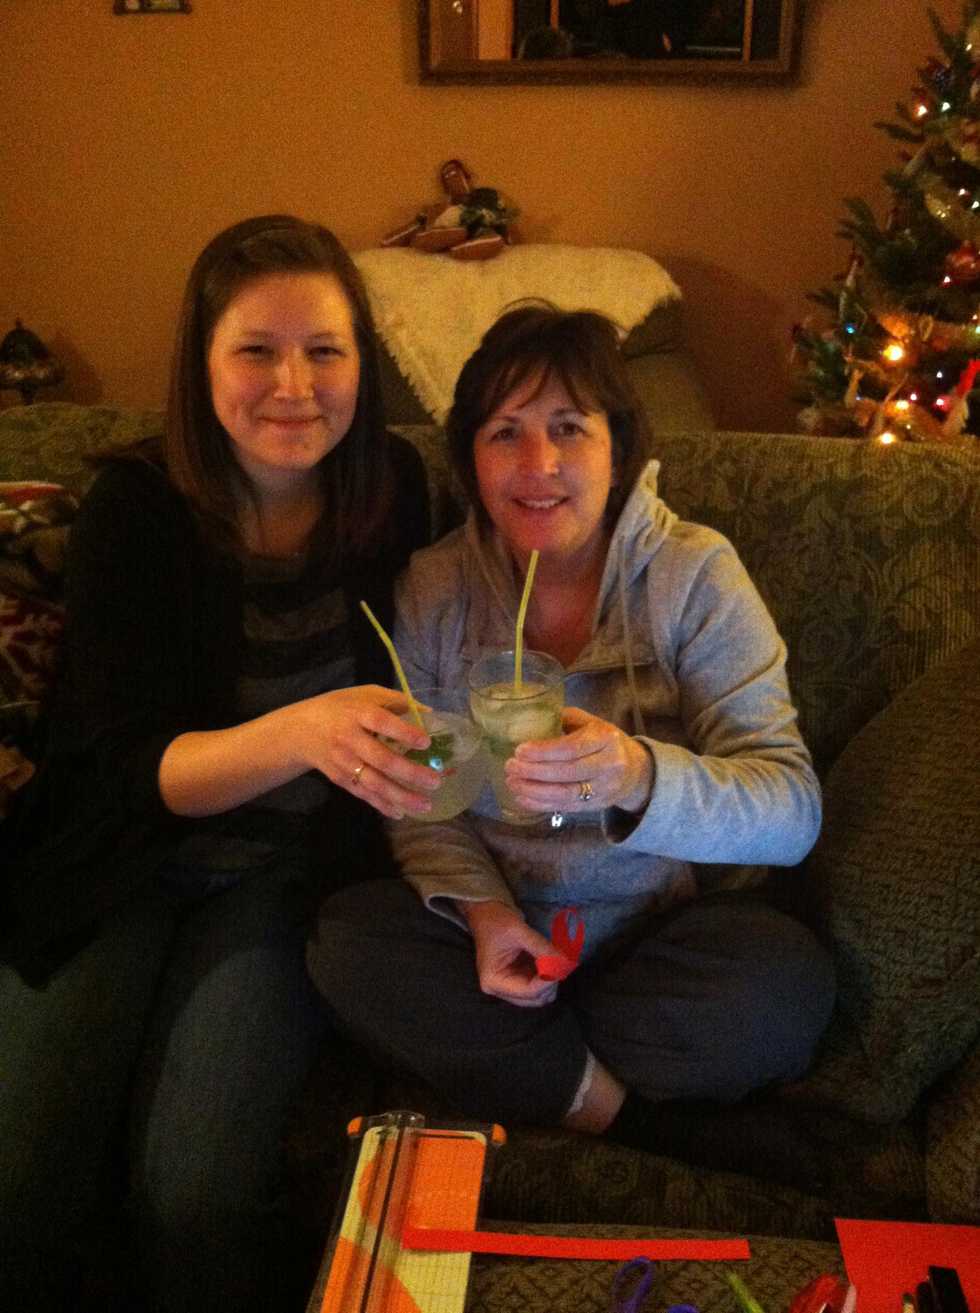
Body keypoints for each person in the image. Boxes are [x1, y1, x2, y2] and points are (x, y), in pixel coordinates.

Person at [0, 215, 441, 1311]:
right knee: (20, 1173)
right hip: (120, 859)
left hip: (284, 876)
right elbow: (125, 766)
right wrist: (303, 730)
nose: (294, 385)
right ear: (202, 365)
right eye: (256, 350)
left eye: (325, 350)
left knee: (193, 1192)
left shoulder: (393, 487)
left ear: (362, 363)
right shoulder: (136, 509)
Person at [308, 302, 835, 1146]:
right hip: (494, 941)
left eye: (568, 428)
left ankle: (527, 1066)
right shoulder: (436, 590)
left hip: (662, 938)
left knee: (781, 990)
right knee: (347, 942)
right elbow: (426, 801)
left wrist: (638, 776)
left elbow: (790, 810)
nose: (538, 465)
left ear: (617, 448)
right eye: (504, 433)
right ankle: (618, 1110)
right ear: (470, 460)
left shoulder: (692, 575)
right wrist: (485, 914)